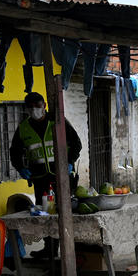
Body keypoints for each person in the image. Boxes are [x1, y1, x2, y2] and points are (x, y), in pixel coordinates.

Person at [10, 91, 82, 257]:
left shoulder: (58, 122)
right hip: (40, 179)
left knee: (66, 211)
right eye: (31, 107)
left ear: (44, 106)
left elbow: (76, 143)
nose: (35, 110)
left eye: (38, 106)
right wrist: (20, 167)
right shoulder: (23, 128)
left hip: (62, 177)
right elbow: (14, 152)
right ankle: (49, 248)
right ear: (27, 109)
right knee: (46, 213)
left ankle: (69, 248)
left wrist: (70, 161)